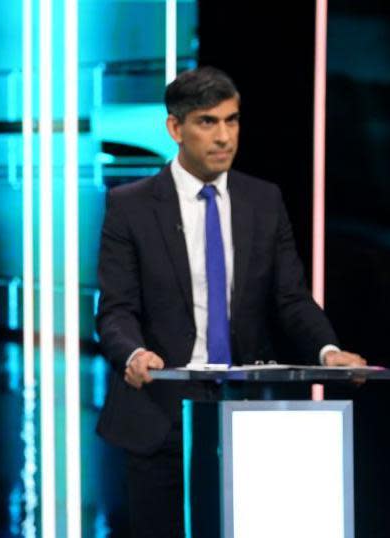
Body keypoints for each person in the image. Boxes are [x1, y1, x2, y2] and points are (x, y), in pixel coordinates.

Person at [95, 66, 366, 537]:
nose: (224, 137)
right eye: (207, 122)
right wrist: (134, 353)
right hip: (161, 411)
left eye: (232, 120)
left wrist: (328, 350)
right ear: (175, 129)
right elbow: (116, 307)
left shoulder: (263, 200)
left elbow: (291, 299)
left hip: (248, 414)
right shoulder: (131, 206)